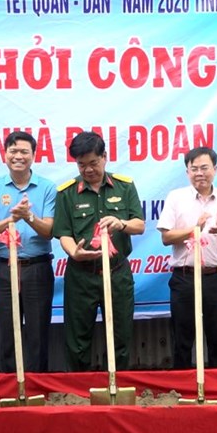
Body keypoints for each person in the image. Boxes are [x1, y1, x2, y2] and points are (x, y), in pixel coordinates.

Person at [52, 131, 145, 371]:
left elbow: (140, 225)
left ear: (104, 157)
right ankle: (78, 393)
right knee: (77, 339)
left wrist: (120, 223)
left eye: (93, 163)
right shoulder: (66, 192)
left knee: (120, 335)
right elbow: (63, 233)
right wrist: (74, 252)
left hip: (116, 273)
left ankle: (118, 385)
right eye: (81, 165)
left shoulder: (124, 186)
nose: (88, 170)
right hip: (81, 274)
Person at [157, 147, 217, 369]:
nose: (199, 173)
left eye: (204, 168)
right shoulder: (176, 198)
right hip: (184, 277)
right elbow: (166, 237)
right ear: (187, 172)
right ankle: (181, 387)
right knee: (182, 338)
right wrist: (194, 229)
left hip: (216, 278)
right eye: (193, 169)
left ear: (215, 169)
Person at [0, 131, 56, 373]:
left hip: (37, 268)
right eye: (13, 151)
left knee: (38, 332)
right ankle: (9, 386)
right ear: (5, 155)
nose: (18, 156)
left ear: (33, 155)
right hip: (4, 268)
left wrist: (29, 217)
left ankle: (37, 386)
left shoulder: (47, 188)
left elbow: (49, 231)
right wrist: (11, 219)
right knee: (6, 330)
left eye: (24, 151)